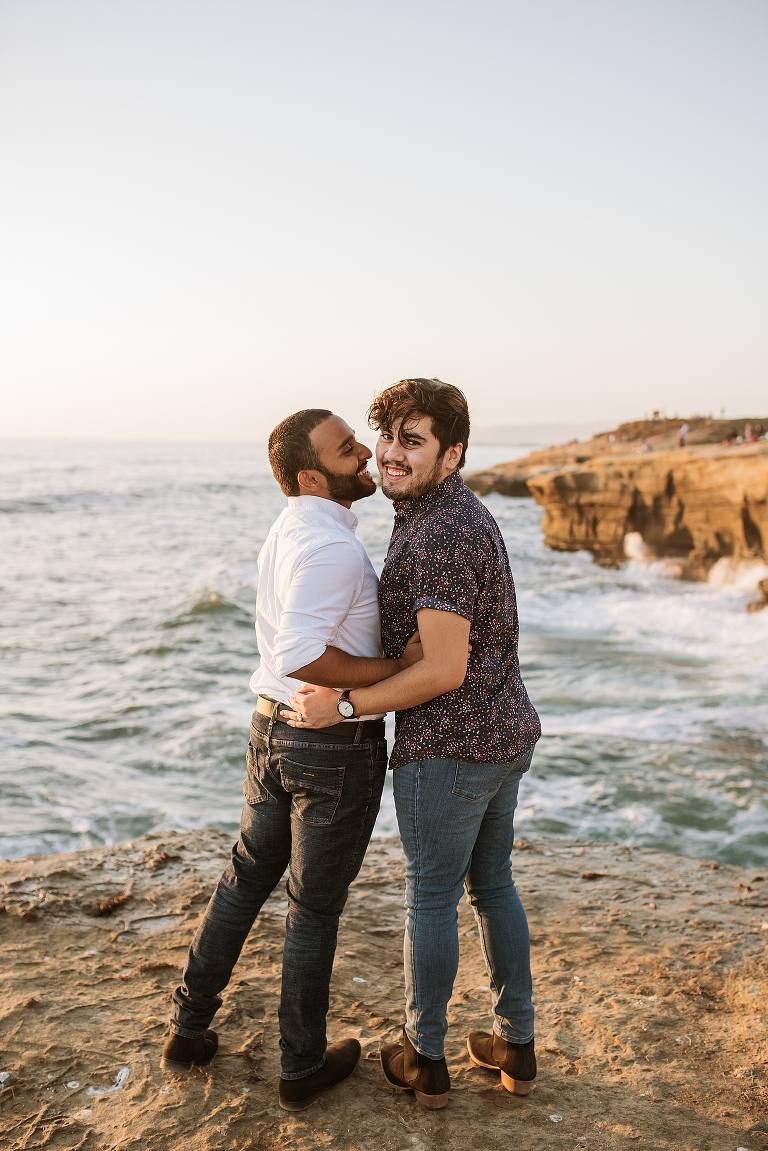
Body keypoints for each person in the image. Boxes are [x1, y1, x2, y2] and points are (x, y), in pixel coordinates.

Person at [287, 379, 541, 1110]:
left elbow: (442, 669)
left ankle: (424, 1057)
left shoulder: (437, 534)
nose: (391, 454)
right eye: (388, 436)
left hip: (452, 747)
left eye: (414, 440)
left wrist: (343, 704)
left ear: (451, 453)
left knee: (431, 897)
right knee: (493, 887)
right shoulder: (449, 511)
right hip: (503, 733)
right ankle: (516, 1046)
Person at [162, 408, 423, 1112]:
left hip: (271, 728)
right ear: (311, 476)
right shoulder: (332, 547)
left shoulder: (291, 529)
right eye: (347, 449)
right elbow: (301, 653)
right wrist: (396, 668)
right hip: (327, 746)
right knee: (312, 908)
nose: (365, 452)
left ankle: (188, 1028)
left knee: (246, 877)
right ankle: (301, 1064)